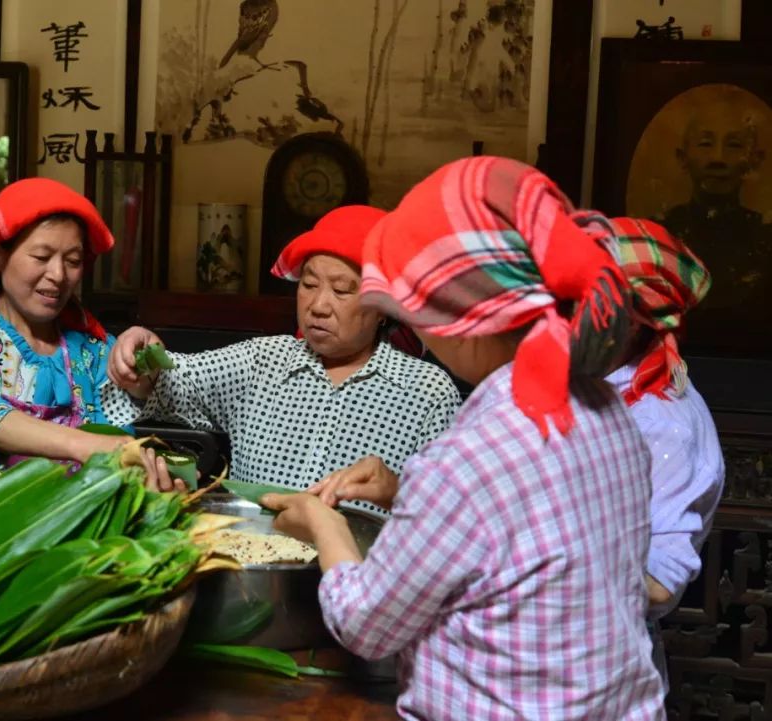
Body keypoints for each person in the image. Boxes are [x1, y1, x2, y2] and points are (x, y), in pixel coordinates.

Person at [268, 157, 664, 719]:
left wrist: (324, 524)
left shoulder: (469, 457)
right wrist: (401, 494)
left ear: (457, 312)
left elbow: (365, 625)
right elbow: (521, 534)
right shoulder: (606, 407)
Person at [103, 205, 462, 507]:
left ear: (384, 305)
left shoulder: (426, 392)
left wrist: (397, 494)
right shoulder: (262, 362)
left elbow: (449, 515)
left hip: (360, 573)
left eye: (341, 290)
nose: (318, 306)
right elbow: (174, 381)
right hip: (252, 562)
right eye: (308, 285)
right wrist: (142, 355)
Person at [0, 178, 144, 474]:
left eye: (73, 260)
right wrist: (81, 444)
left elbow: (119, 437)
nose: (58, 275)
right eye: (41, 257)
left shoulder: (94, 350)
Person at [591, 214, 724, 685]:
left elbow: (659, 583)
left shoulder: (661, 422)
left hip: (602, 674)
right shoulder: (596, 384)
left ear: (637, 320)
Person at [658, 93, 771, 311]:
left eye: (734, 145)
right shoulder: (661, 235)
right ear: (683, 157)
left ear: (754, 160)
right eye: (706, 143)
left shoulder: (765, 241)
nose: (718, 158)